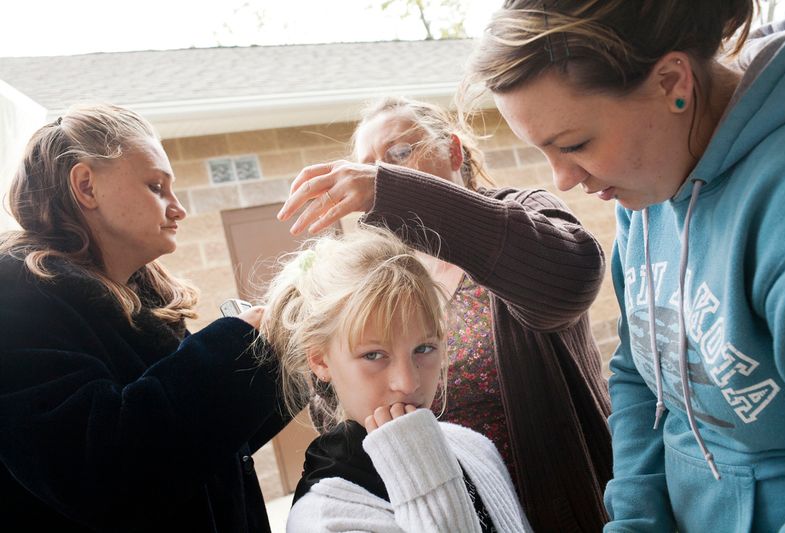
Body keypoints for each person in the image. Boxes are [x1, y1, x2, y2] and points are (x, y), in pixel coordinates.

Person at [463, 1, 785, 531]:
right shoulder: (649, 186)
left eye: (575, 144)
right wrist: (636, 519)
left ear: (671, 82)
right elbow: (641, 370)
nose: (563, 179)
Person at [277, 96, 612, 531]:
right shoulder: (392, 272)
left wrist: (390, 191)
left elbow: (568, 278)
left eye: (400, 152)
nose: (387, 170)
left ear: (454, 150)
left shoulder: (524, 213)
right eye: (370, 164)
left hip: (559, 507)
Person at [0, 104, 287, 532]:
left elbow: (190, 450)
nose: (178, 209)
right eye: (156, 186)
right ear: (86, 186)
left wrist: (287, 352)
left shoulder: (144, 299)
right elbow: (102, 473)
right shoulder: (16, 297)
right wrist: (242, 342)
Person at [258, 225, 532, 532]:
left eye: (424, 348)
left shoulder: (474, 447)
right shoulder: (324, 518)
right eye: (374, 355)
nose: (408, 382)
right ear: (320, 360)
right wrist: (423, 474)